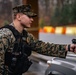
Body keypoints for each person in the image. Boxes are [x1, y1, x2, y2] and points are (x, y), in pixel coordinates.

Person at [0, 4, 76, 75]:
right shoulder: (4, 36)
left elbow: (43, 47)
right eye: (29, 16)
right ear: (19, 17)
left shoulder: (25, 36)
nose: (32, 19)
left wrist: (68, 47)